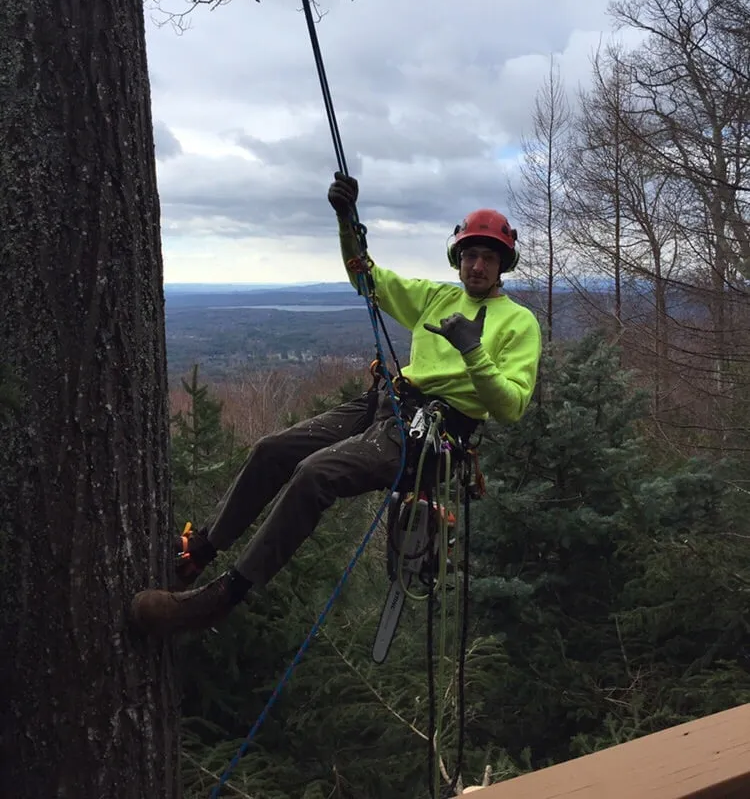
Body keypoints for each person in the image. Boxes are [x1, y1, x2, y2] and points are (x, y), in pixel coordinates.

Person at [130, 173, 542, 636]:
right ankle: (198, 552)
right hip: (389, 404)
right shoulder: (438, 297)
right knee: (273, 450)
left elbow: (511, 406)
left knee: (315, 474)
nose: (477, 266)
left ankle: (223, 598)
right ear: (458, 259)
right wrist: (347, 222)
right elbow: (366, 277)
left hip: (434, 433)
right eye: (470, 255)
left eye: (488, 257)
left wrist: (473, 351)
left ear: (503, 265)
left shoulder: (518, 322)